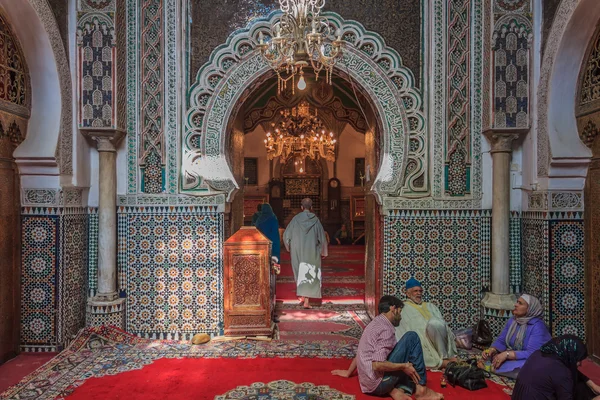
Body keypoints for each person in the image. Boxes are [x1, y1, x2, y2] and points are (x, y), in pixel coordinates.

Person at [331, 295, 443, 400]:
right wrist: (404, 366)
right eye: (400, 312)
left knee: (403, 353)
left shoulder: (375, 323)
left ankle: (398, 390)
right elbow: (376, 365)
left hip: (367, 382)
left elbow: (363, 351)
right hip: (378, 384)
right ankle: (422, 390)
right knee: (411, 337)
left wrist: (348, 372)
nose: (401, 317)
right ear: (393, 309)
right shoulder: (386, 330)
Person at [481, 294, 551, 378]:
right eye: (517, 302)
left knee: (528, 366)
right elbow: (501, 340)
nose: (515, 305)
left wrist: (507, 354)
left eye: (520, 303)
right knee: (491, 358)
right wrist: (493, 350)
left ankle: (492, 369)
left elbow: (532, 353)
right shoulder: (513, 320)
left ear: (529, 309)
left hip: (535, 360)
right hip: (515, 356)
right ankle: (495, 367)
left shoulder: (537, 326)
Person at [512, 335, 600, 400]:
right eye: (578, 359)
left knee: (579, 383)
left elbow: (572, 370)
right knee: (579, 387)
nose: (580, 364)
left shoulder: (538, 353)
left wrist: (592, 385)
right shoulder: (563, 372)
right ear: (570, 355)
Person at [395, 277, 458, 369]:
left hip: (438, 340)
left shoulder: (431, 306)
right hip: (423, 341)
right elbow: (402, 329)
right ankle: (442, 362)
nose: (419, 293)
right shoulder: (403, 308)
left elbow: (444, 326)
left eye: (420, 291)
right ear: (408, 294)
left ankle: (444, 358)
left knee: (436, 323)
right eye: (415, 291)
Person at [283, 198, 328, 309]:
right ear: (311, 207)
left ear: (301, 207)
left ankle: (303, 297)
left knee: (299, 272)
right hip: (312, 250)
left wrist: (289, 248)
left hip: (297, 250)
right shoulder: (316, 220)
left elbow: (285, 235)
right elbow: (322, 237)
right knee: (310, 272)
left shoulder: (295, 219)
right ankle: (307, 300)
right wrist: (324, 251)